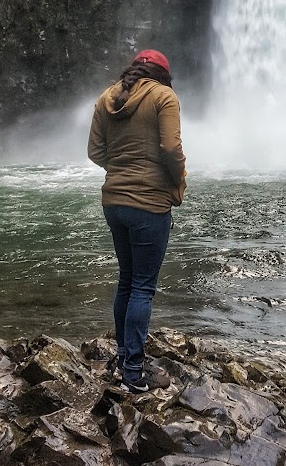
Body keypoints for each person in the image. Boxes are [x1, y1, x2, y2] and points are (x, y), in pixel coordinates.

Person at [87, 49, 186, 393]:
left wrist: (122, 171)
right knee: (143, 286)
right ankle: (134, 373)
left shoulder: (106, 98)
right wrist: (177, 181)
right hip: (149, 205)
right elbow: (172, 148)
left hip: (114, 202)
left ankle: (121, 357)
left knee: (127, 281)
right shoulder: (163, 97)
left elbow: (95, 152)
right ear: (163, 75)